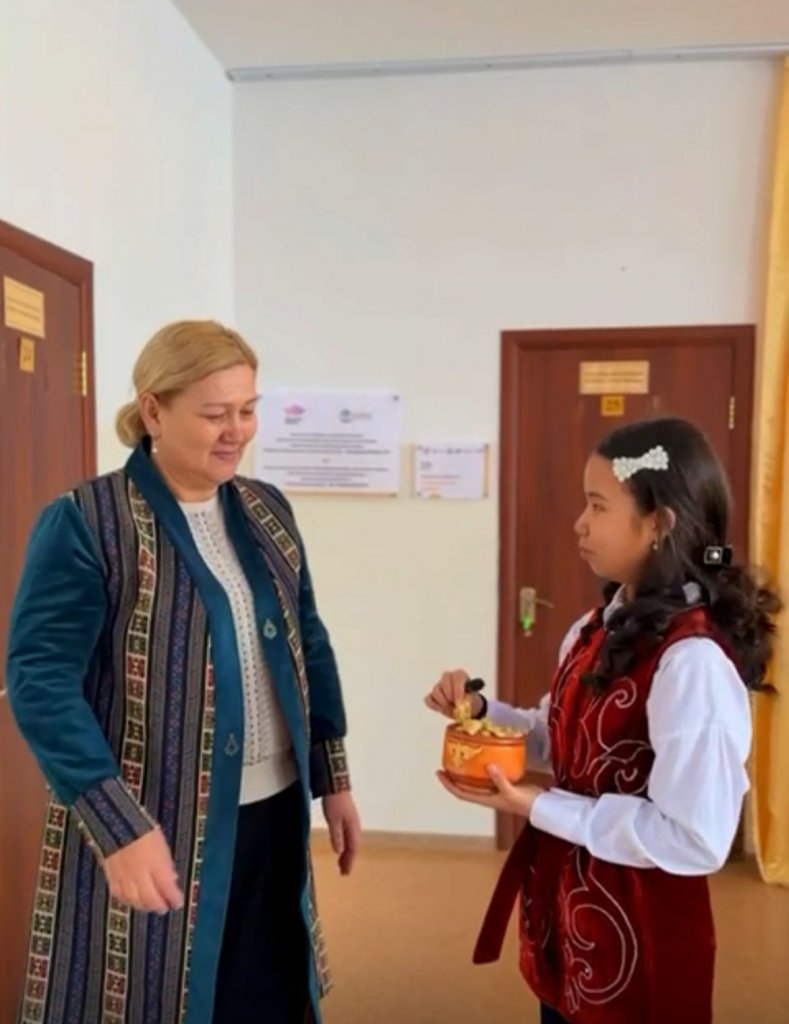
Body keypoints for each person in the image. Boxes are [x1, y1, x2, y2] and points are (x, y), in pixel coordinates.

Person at [7, 320, 361, 1024]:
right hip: (154, 828)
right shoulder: (89, 521)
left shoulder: (266, 510)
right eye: (214, 414)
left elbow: (307, 642)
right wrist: (115, 822)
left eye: (247, 410)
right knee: (159, 998)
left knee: (266, 993)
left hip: (271, 816)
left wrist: (334, 777)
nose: (236, 432)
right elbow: (40, 678)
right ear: (154, 411)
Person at [425, 417, 781, 1024]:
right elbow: (559, 740)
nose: (579, 523)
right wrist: (482, 716)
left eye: (597, 505)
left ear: (658, 523)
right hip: (569, 919)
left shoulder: (692, 663)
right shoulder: (594, 629)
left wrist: (539, 806)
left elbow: (694, 838)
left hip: (641, 939)